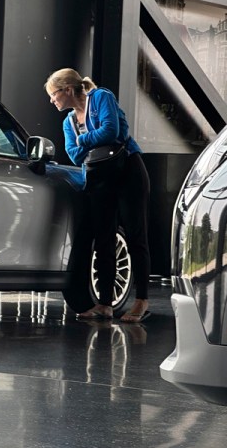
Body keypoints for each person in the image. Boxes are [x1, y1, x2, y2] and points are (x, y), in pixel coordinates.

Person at [44, 68, 151, 323]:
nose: (52, 100)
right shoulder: (68, 121)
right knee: (104, 238)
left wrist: (83, 140)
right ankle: (105, 304)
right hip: (98, 176)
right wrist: (89, 141)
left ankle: (142, 301)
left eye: (53, 94)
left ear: (68, 90)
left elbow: (111, 131)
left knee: (136, 234)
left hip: (128, 170)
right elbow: (74, 154)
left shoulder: (101, 97)